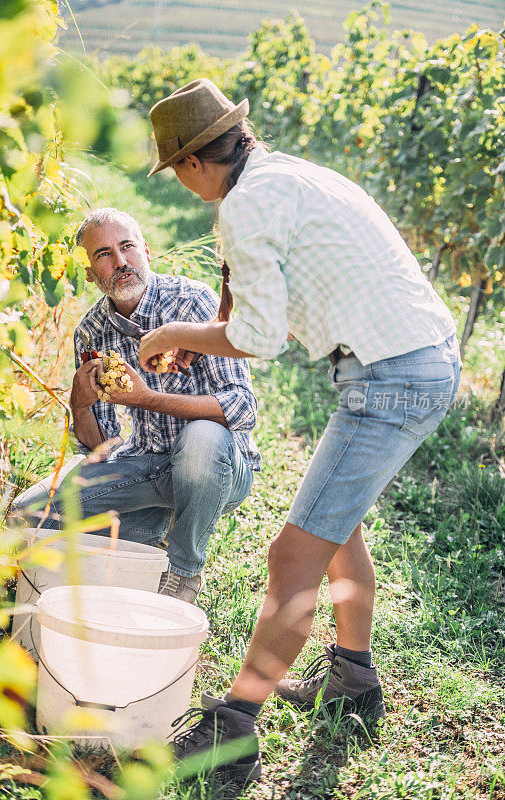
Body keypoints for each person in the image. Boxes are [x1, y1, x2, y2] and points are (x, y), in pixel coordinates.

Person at [139, 78, 462, 778]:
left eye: (177, 170)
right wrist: (201, 334)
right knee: (334, 522)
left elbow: (258, 335)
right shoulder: (289, 175)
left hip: (393, 377)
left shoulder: (249, 201)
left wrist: (171, 330)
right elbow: (255, 311)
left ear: (194, 162)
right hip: (416, 357)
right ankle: (354, 683)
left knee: (291, 557)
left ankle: (232, 734)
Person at [13, 206, 260, 603]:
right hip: (146, 465)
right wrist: (79, 407)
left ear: (146, 251)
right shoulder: (92, 331)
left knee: (202, 438)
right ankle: (151, 536)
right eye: (103, 254)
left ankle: (183, 572)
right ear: (92, 274)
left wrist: (148, 399)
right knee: (28, 517)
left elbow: (241, 409)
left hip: (218, 466)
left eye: (127, 247)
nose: (121, 261)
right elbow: (101, 448)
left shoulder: (192, 304)